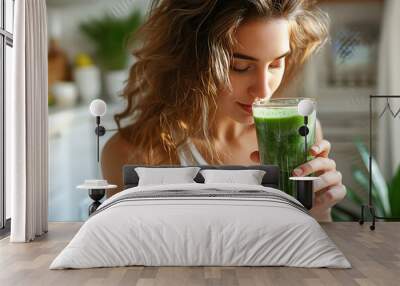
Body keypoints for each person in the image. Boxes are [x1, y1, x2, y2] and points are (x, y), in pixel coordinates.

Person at [101, 0, 346, 222]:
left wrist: (319, 212)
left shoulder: (301, 130)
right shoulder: (131, 153)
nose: (262, 90)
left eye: (275, 63)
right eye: (240, 66)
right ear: (193, 59)